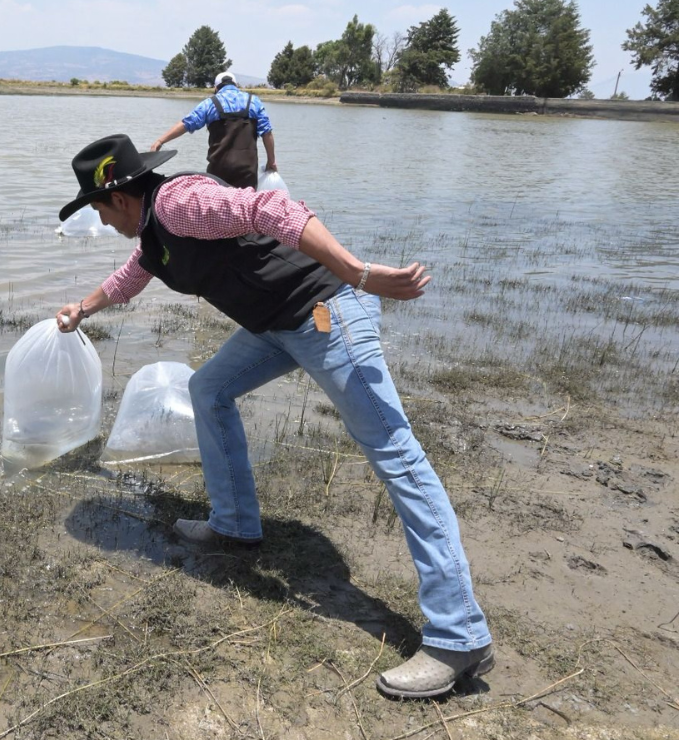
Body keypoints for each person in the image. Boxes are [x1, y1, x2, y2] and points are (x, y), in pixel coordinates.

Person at [54, 134, 494, 699]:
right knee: (209, 389)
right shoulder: (154, 234)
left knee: (396, 456)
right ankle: (234, 523)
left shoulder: (179, 201)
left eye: (95, 207)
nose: (99, 219)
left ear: (117, 198)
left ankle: (458, 634)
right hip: (280, 326)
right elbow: (137, 273)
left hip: (328, 312)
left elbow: (271, 207)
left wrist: (359, 274)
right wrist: (84, 307)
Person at [150, 71, 277, 190]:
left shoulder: (210, 103)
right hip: (247, 171)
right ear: (236, 85)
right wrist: (271, 161)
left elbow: (186, 123)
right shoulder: (254, 102)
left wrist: (160, 141)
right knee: (246, 209)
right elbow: (267, 133)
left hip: (218, 170)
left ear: (216, 88)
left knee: (217, 209)